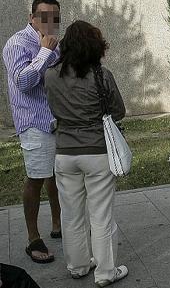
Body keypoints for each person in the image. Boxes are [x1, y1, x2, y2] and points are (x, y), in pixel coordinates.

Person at [44, 20, 128, 286]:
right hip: (98, 151)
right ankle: (105, 272)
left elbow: (52, 107)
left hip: (65, 152)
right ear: (96, 46)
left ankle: (78, 265)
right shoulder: (102, 75)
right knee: (101, 215)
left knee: (71, 214)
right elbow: (119, 111)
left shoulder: (50, 75)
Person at [2, 0, 62, 264]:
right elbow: (23, 82)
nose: (50, 22)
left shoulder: (53, 43)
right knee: (36, 178)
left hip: (57, 120)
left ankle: (58, 225)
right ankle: (32, 237)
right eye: (44, 16)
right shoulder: (17, 43)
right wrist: (45, 52)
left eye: (55, 17)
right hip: (34, 122)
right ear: (31, 17)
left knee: (56, 175)